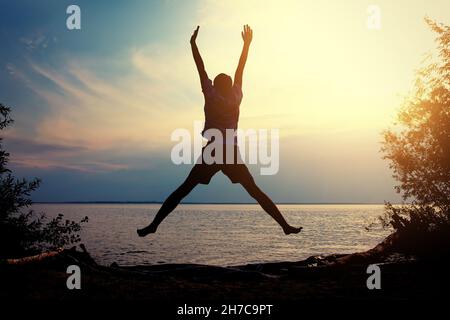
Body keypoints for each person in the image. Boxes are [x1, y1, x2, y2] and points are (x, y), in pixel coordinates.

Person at [137, 25, 302, 237]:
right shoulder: (236, 96)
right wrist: (246, 45)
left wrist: (193, 45)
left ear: (215, 85)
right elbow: (240, 70)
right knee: (255, 192)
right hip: (230, 153)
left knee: (183, 190)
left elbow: (201, 68)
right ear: (230, 85)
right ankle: (285, 226)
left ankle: (154, 226)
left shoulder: (211, 95)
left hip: (213, 151)